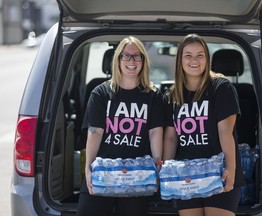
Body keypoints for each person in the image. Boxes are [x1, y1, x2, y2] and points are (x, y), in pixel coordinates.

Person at [77, 36, 164, 216]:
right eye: (126, 56)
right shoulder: (101, 93)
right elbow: (95, 133)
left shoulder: (153, 96)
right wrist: (88, 167)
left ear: (143, 61)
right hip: (103, 173)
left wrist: (157, 167)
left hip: (137, 176)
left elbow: (155, 133)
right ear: (118, 60)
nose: (131, 61)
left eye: (137, 56)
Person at [163, 34, 245, 216]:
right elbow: (170, 137)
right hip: (187, 176)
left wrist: (230, 169)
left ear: (207, 59)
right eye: (188, 55)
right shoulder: (172, 95)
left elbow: (226, 132)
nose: (194, 60)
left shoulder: (221, 88)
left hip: (218, 173)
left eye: (200, 55)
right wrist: (166, 171)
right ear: (180, 60)